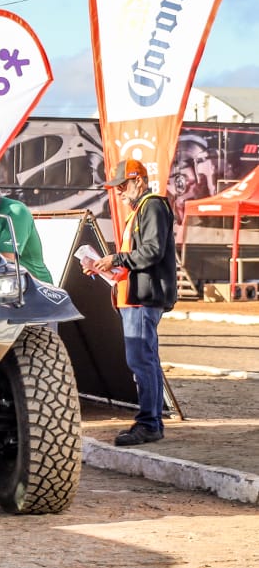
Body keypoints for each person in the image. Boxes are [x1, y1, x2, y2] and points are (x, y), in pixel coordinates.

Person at [90, 159, 178, 447]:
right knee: (145, 360)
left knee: (141, 360)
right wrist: (109, 266)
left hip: (142, 299)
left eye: (122, 185)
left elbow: (152, 251)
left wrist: (115, 259)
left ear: (138, 180)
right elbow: (142, 255)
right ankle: (151, 422)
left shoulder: (152, 206)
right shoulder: (143, 209)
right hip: (136, 296)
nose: (118, 192)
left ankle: (149, 424)